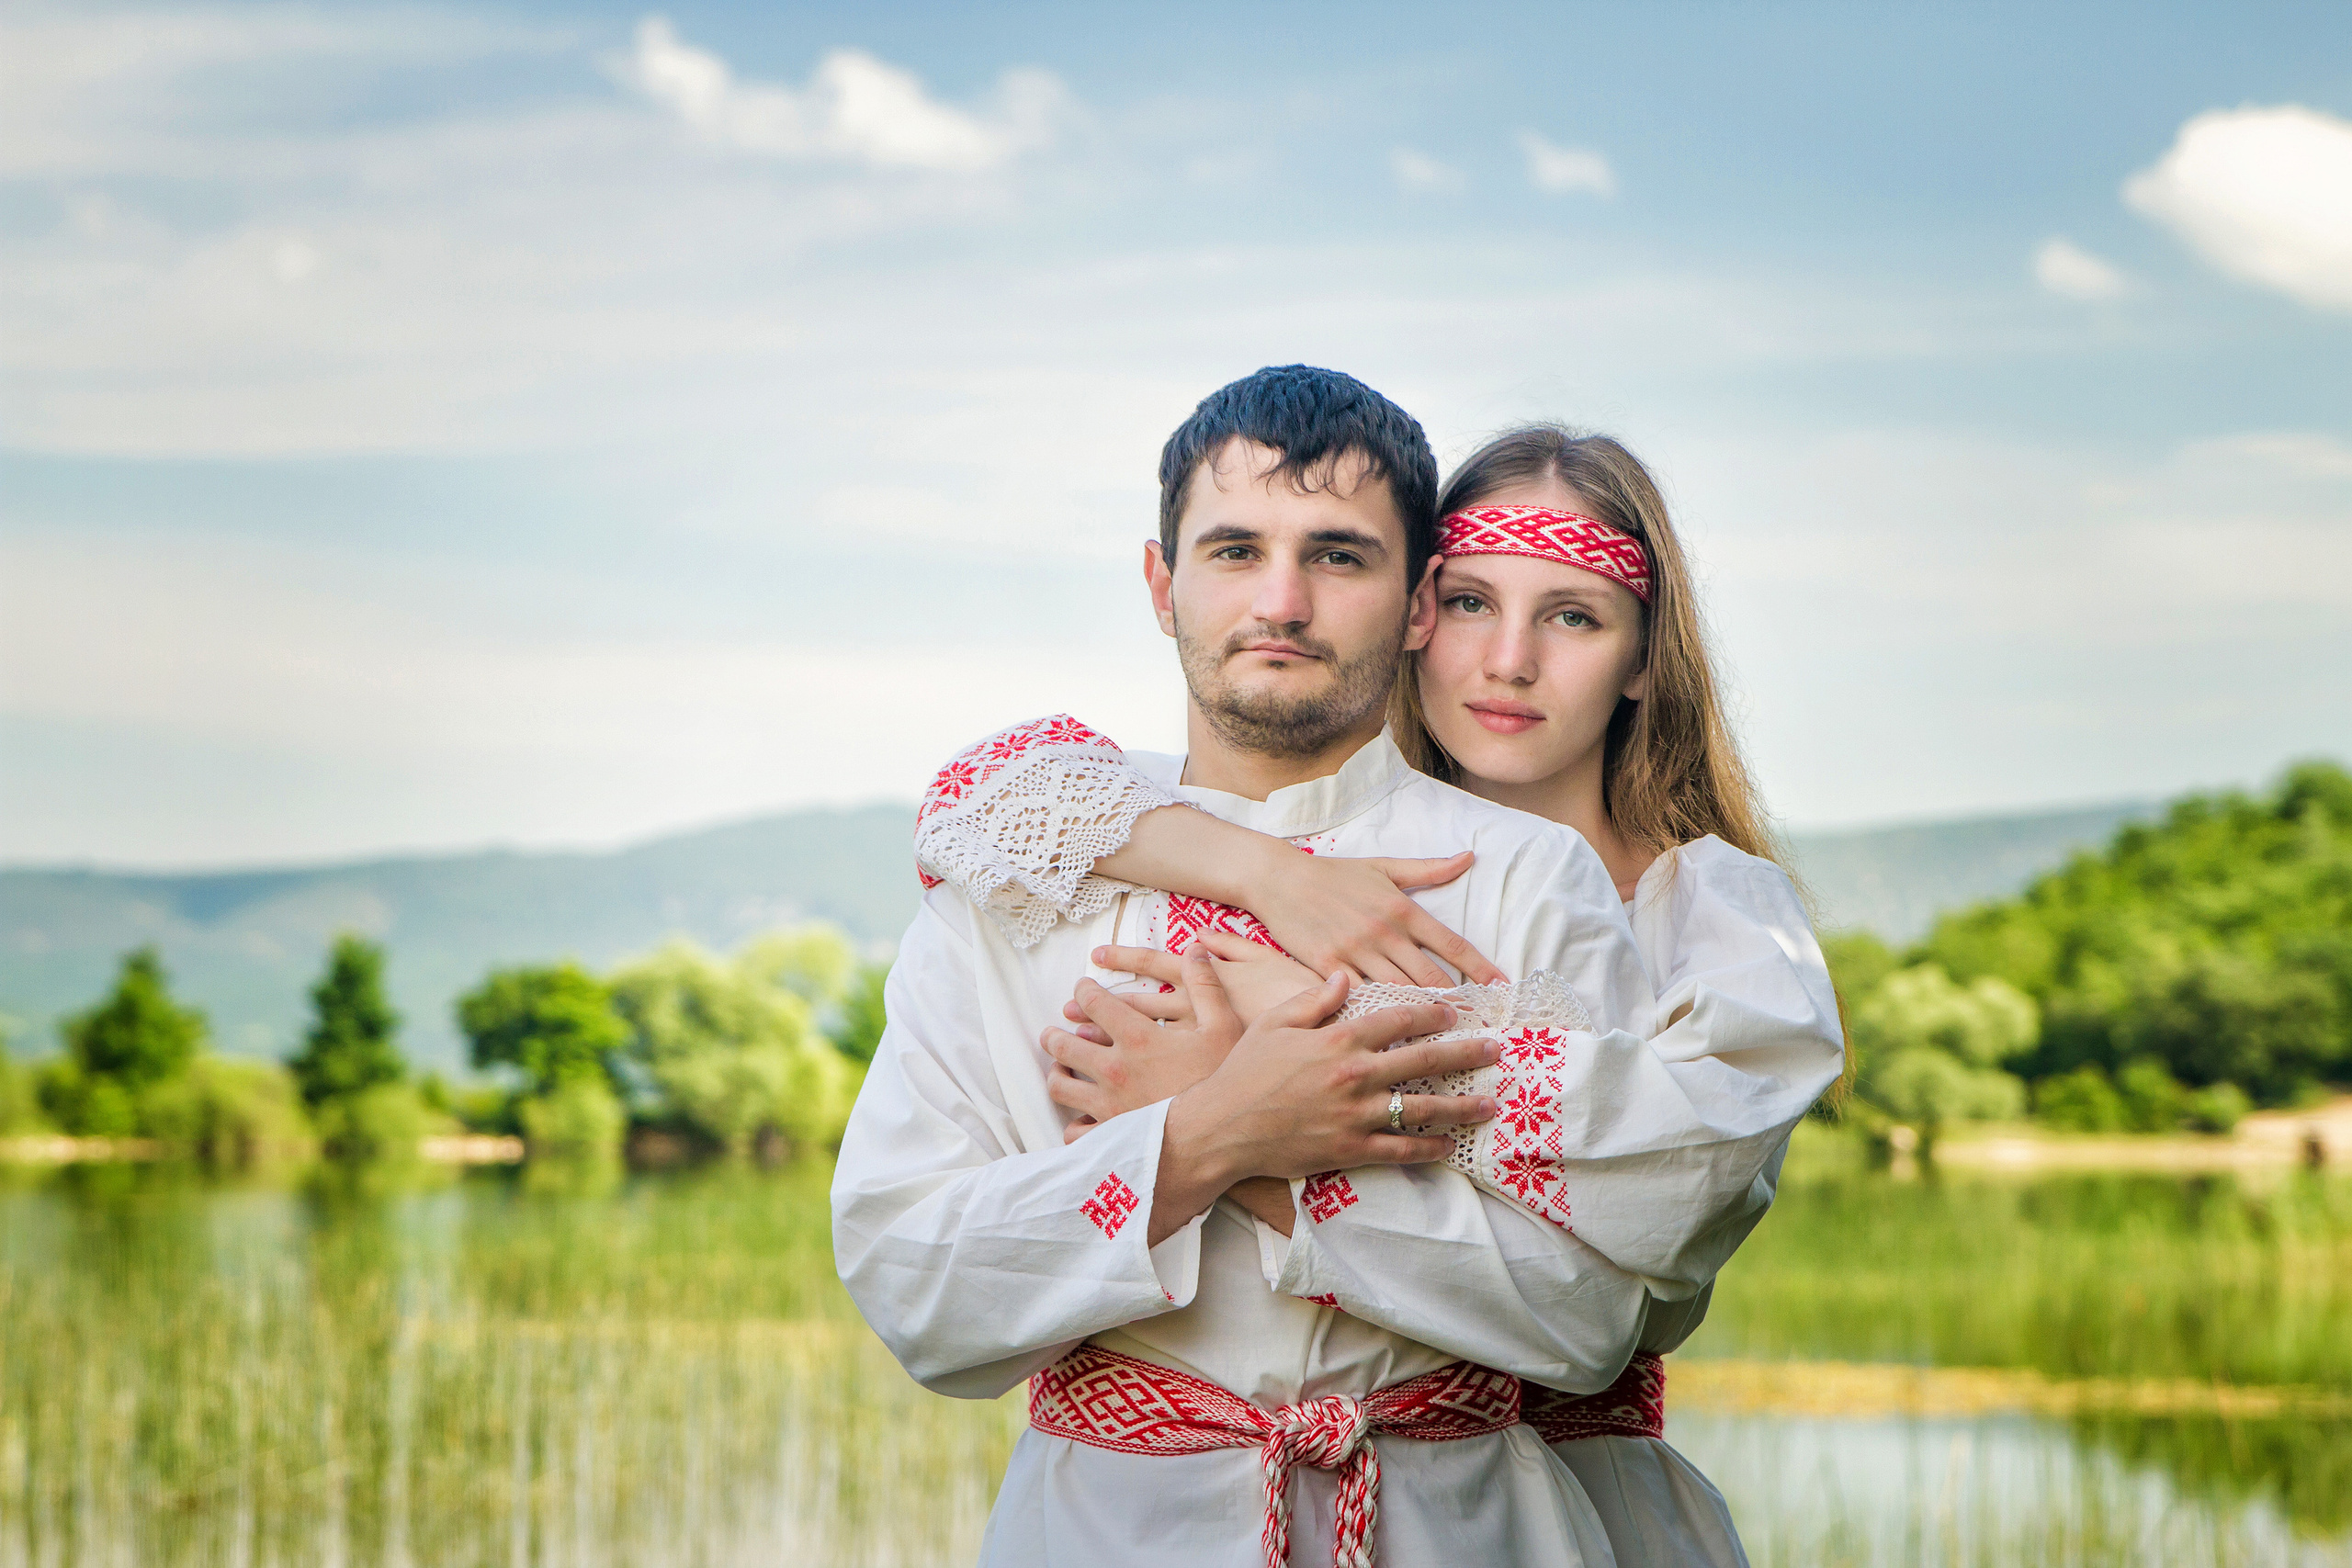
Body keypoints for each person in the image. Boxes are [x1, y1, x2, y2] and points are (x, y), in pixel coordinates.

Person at [834, 367, 1838, 1567]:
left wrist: (1292, 1164)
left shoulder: (1530, 880)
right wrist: (1209, 1138)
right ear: (1162, 584)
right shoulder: (1027, 878)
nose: (1284, 599)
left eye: (1340, 557)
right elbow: (914, 1288)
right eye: (1235, 549)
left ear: (1416, 604)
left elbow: (1584, 1323)